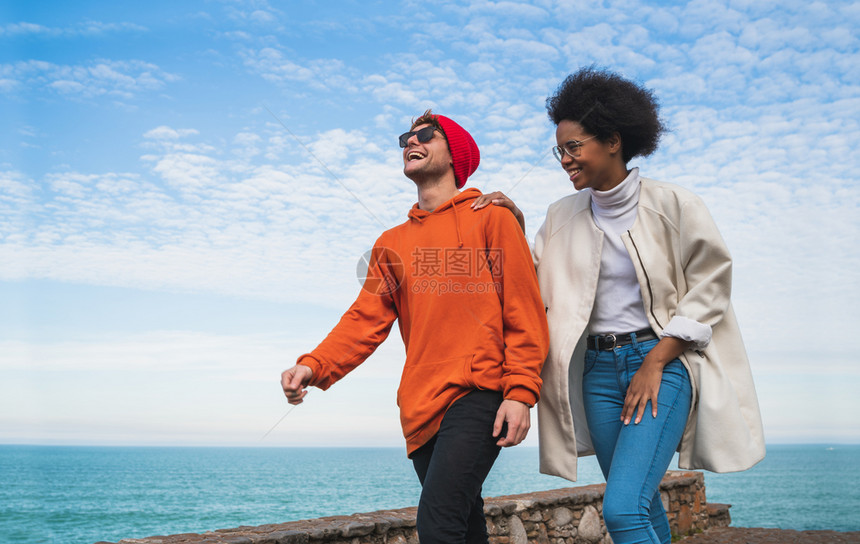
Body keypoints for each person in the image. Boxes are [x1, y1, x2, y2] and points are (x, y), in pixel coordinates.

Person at [472, 68, 765, 544]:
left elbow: (711, 284)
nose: (565, 160)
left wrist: (656, 360)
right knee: (643, 505)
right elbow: (532, 278)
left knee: (622, 509)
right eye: (559, 150)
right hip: (598, 374)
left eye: (573, 147)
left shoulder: (675, 204)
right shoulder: (560, 215)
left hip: (661, 364)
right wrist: (515, 222)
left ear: (612, 141)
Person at [281, 110, 549, 544]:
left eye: (426, 134)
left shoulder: (492, 218)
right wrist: (313, 366)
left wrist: (520, 392)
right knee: (464, 523)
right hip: (420, 406)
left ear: (455, 153)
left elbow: (524, 312)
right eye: (406, 136)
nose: (411, 141)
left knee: (438, 523)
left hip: (479, 391)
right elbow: (363, 320)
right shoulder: (391, 243)